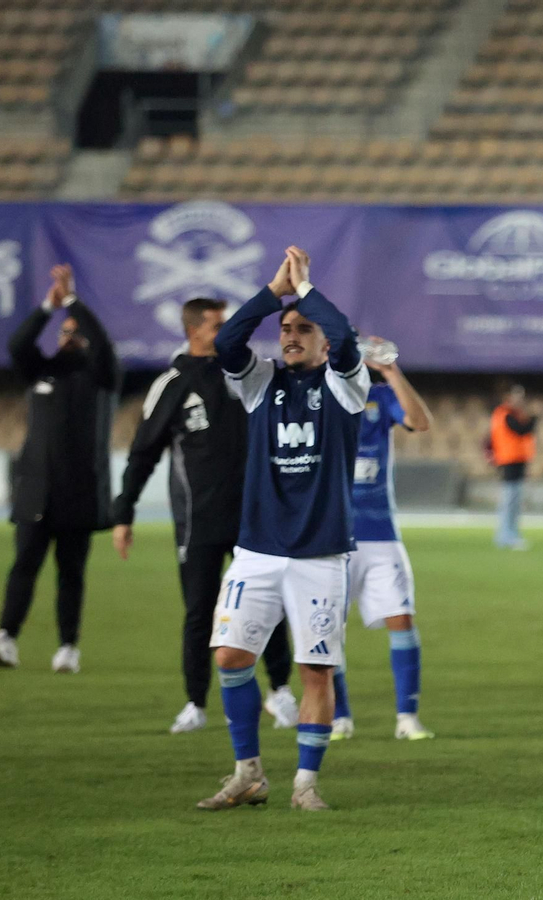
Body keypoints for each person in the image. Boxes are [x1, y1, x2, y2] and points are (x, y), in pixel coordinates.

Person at [197, 246, 364, 812]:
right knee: (229, 658)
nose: (290, 335)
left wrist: (307, 287)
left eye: (302, 328)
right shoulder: (260, 382)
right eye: (284, 328)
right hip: (258, 551)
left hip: (320, 554)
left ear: (322, 341)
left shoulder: (346, 386)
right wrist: (274, 294)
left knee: (315, 670)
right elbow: (224, 345)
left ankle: (305, 784)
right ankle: (248, 772)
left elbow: (346, 339)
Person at [111, 297, 298, 734]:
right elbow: (142, 455)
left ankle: (281, 690)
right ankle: (195, 702)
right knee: (199, 612)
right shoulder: (172, 383)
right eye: (218, 325)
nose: (228, 332)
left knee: (271, 606)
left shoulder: (245, 372)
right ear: (195, 330)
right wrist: (124, 513)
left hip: (255, 518)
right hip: (198, 522)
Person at [0, 264, 119, 672]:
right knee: (24, 564)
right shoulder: (40, 372)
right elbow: (17, 343)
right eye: (64, 332)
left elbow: (103, 345)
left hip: (79, 490)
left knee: (71, 572)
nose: (68, 337)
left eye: (74, 332)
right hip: (36, 490)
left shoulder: (101, 377)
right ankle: (6, 637)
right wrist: (50, 305)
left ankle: (68, 647)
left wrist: (76, 301)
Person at [329, 345, 435, 742]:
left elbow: (420, 422)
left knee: (402, 619)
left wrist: (391, 372)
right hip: (328, 536)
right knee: (326, 628)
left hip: (379, 534)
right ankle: (338, 716)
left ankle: (407, 717)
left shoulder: (380, 396)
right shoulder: (315, 395)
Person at [490, 386, 535, 550]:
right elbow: (521, 430)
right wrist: (534, 417)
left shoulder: (509, 414)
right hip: (509, 460)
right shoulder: (505, 414)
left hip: (516, 460)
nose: (520, 401)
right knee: (509, 500)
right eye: (517, 397)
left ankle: (511, 534)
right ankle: (505, 535)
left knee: (514, 500)